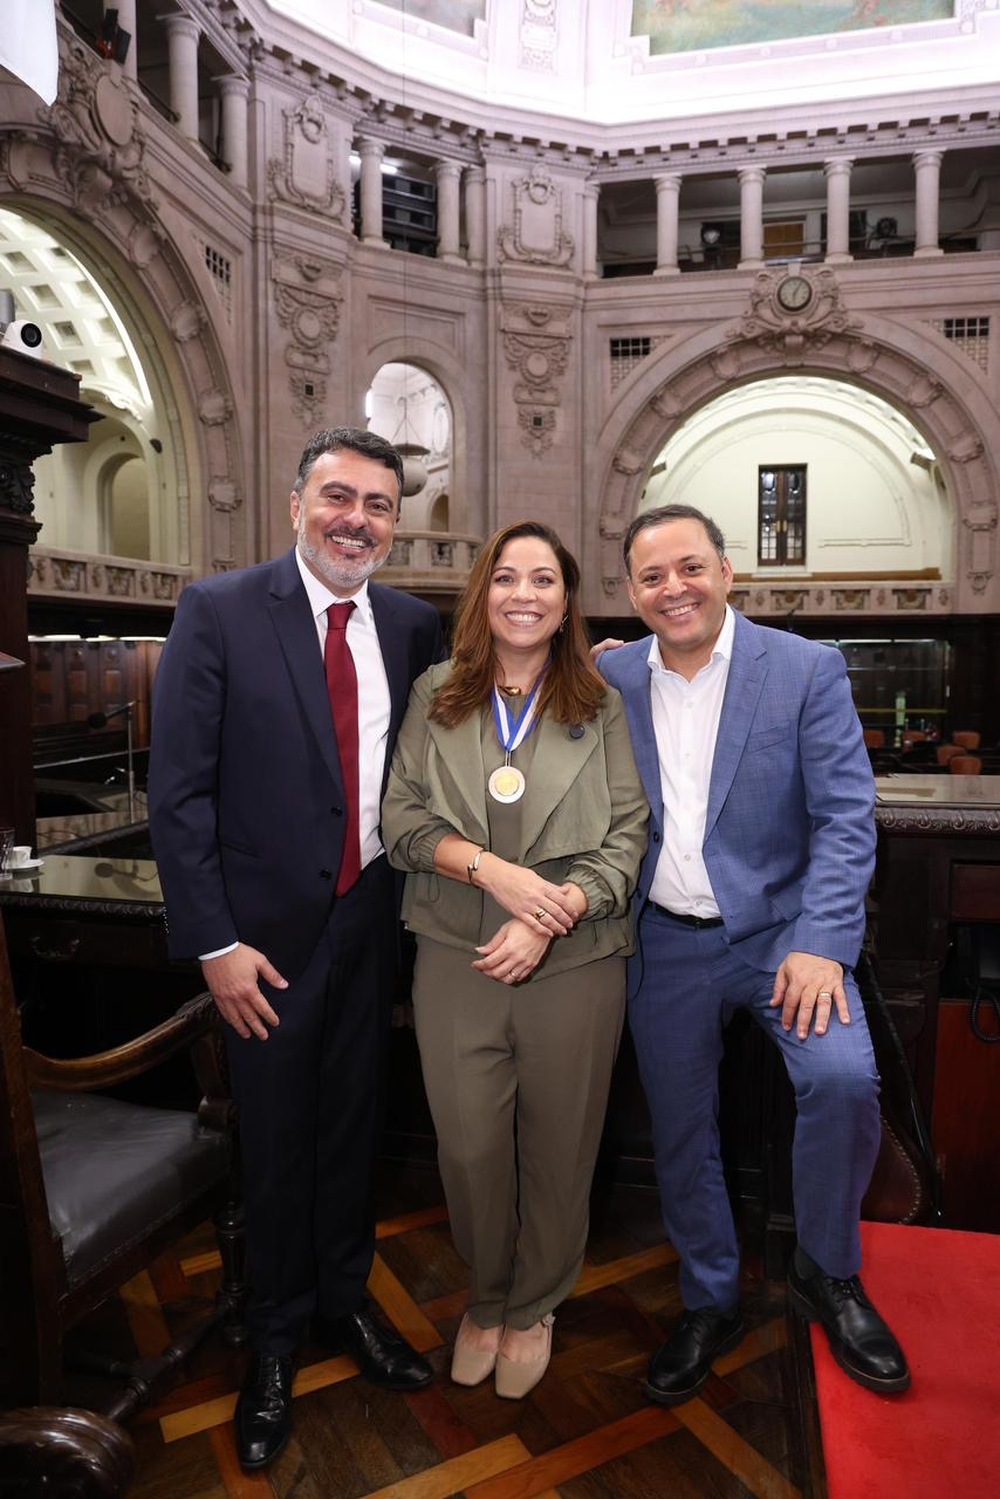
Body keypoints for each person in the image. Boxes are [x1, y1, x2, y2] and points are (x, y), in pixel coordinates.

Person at [147, 427, 444, 1470]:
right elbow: (176, 793)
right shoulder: (219, 610)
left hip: (374, 928)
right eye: (337, 496)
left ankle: (344, 1306)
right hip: (259, 946)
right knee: (274, 1147)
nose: (355, 517)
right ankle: (270, 1344)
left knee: (355, 1132)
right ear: (295, 503)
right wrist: (214, 941)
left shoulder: (413, 625)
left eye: (376, 503)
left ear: (396, 522)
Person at [598, 502, 909, 1404]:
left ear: (727, 572)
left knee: (844, 1080)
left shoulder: (805, 667)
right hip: (662, 940)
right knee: (683, 1126)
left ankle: (827, 1271)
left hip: (784, 940)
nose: (674, 587)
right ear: (632, 592)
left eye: (690, 567)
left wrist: (822, 944)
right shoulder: (613, 678)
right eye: (653, 575)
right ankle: (709, 1296)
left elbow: (846, 818)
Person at [381, 521, 648, 1399]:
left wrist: (555, 909)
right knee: (467, 1147)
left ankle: (532, 1305)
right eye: (506, 578)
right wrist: (496, 874)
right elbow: (403, 821)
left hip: (576, 958)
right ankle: (484, 1293)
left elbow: (626, 833)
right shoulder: (436, 693)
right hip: (456, 952)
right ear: (482, 594)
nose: (523, 594)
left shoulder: (601, 700)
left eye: (543, 579)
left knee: (563, 1145)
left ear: (567, 599)